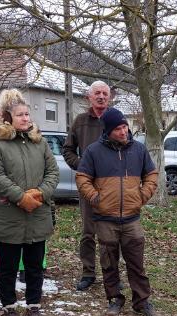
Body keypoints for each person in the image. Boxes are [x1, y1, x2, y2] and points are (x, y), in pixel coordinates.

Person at [0, 89, 59, 316]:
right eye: (20, 115)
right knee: (8, 267)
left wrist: (38, 194)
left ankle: (34, 308)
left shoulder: (40, 141)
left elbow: (53, 172)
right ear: (8, 117)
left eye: (28, 114)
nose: (26, 118)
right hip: (9, 216)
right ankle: (9, 310)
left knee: (35, 266)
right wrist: (20, 198)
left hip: (37, 214)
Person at [76, 108, 160, 316]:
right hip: (105, 219)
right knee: (109, 263)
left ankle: (142, 302)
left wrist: (142, 195)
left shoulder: (139, 149)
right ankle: (114, 299)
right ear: (108, 131)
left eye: (125, 127)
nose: (123, 132)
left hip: (132, 218)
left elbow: (151, 174)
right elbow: (82, 178)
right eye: (118, 129)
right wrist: (95, 198)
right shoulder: (94, 151)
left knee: (137, 263)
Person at [62, 81, 110, 291]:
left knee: (110, 233)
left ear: (110, 97)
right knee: (88, 232)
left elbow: (128, 146)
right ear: (89, 97)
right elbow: (68, 150)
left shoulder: (115, 119)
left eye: (105, 93)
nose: (101, 96)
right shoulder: (80, 121)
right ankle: (88, 272)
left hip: (112, 187)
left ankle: (110, 272)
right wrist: (83, 166)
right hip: (87, 186)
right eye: (97, 93)